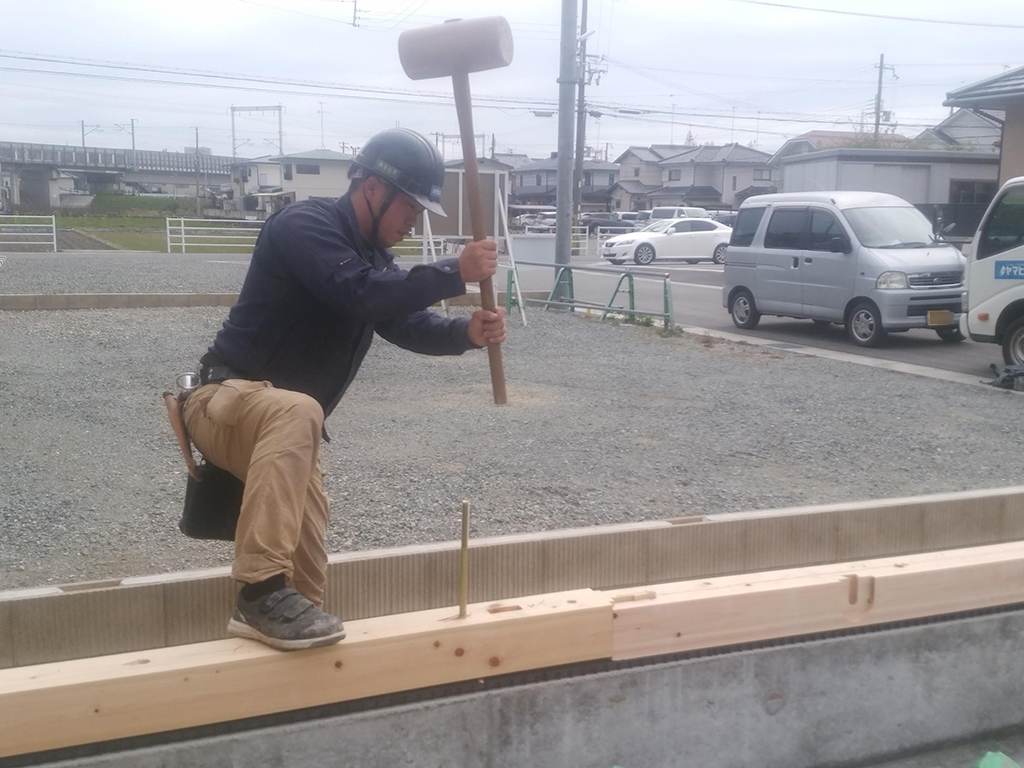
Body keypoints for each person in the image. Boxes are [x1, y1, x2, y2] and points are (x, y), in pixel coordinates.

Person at [182, 127, 507, 651]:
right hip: (224, 404)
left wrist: (464, 333)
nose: (413, 220)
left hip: (287, 431)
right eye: (409, 206)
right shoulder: (304, 226)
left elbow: (400, 318)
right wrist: (454, 272)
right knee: (299, 414)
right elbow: (358, 293)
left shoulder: (371, 260)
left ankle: (277, 640)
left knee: (306, 593)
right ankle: (256, 591)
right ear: (374, 189)